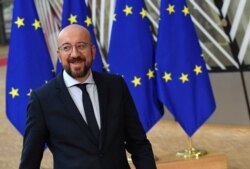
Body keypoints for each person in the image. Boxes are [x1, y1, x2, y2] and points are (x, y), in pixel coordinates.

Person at [19, 24, 157, 169]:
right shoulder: (42, 99)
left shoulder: (116, 86)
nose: (74, 54)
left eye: (81, 46)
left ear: (93, 51)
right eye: (66, 47)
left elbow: (138, 144)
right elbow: (30, 161)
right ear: (59, 55)